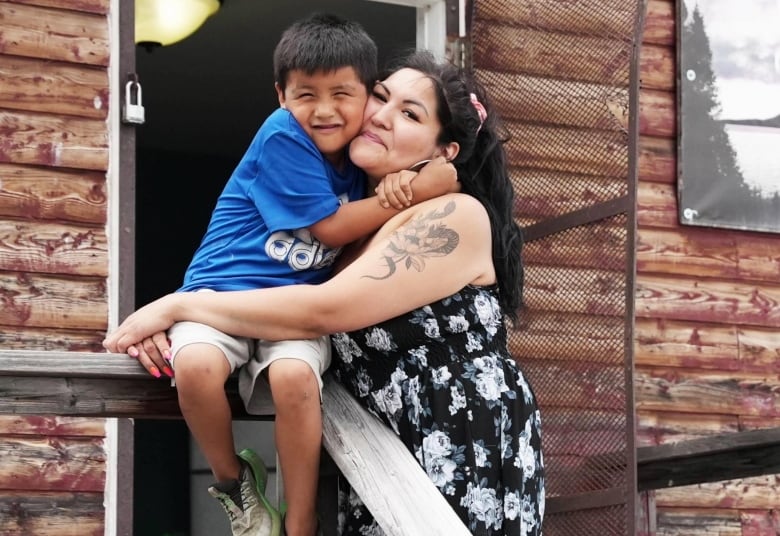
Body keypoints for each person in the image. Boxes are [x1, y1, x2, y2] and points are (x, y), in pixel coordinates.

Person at [105, 50, 545, 535]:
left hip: (459, 435)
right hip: (375, 448)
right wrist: (184, 330)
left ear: (444, 152)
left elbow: (320, 311)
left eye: (410, 113)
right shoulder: (345, 222)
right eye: (381, 96)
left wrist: (176, 305)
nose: (380, 114)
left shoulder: (455, 215)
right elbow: (272, 297)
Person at [152, 14, 457, 536]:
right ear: (281, 97)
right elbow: (332, 229)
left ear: (365, 97)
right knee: (198, 368)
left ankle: (299, 522)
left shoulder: (364, 162)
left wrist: (429, 176)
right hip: (217, 297)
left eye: (343, 94)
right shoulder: (283, 136)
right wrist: (416, 191)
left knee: (296, 379)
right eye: (305, 95)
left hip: (292, 311)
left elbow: (438, 171)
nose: (324, 110)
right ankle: (236, 485)